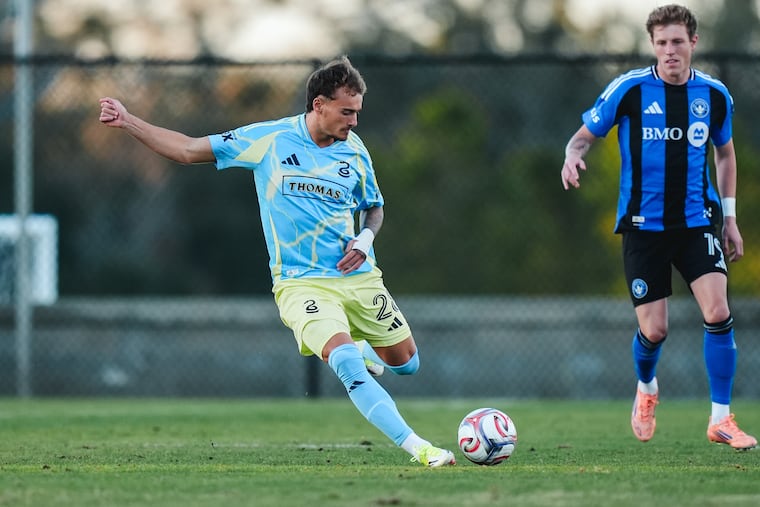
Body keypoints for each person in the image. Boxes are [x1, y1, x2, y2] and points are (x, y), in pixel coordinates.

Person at [99, 56, 456, 466]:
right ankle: (420, 449)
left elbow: (374, 207)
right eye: (347, 112)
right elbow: (186, 149)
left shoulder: (355, 151)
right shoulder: (269, 139)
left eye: (357, 113)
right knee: (345, 364)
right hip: (301, 283)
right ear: (318, 104)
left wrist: (366, 236)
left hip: (358, 277)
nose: (354, 122)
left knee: (408, 365)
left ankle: (363, 348)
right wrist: (128, 121)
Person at [561, 4, 756, 450]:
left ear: (693, 43)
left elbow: (725, 154)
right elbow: (584, 135)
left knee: (718, 311)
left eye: (678, 42)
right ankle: (646, 387)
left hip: (696, 220)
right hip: (643, 226)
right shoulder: (629, 90)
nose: (670, 51)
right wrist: (573, 155)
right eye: (662, 43)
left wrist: (729, 217)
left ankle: (721, 419)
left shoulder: (714, 95)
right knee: (655, 330)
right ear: (653, 45)